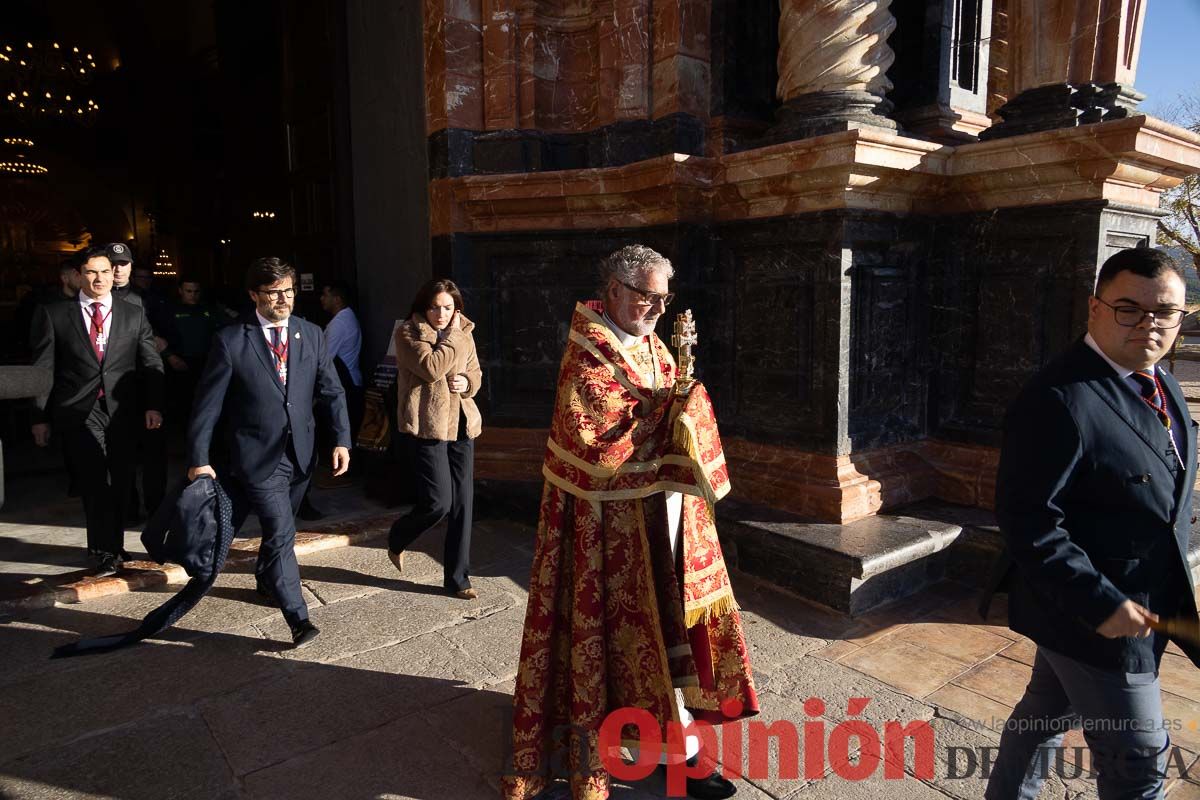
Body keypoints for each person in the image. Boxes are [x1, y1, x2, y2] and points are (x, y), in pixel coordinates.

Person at [503, 245, 757, 800]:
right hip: (606, 531)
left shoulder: (653, 344)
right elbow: (592, 442)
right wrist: (670, 418)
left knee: (665, 638)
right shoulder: (586, 352)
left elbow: (664, 406)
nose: (659, 309)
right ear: (615, 289)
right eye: (649, 296)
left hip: (661, 517)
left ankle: (674, 747)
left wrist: (685, 406)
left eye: (666, 298)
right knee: (618, 638)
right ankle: (653, 750)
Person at [984, 247, 1200, 799]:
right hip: (1098, 618)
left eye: (1166, 312)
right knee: (1139, 771)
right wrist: (1100, 603)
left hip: (1143, 599)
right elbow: (1027, 519)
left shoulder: (1162, 382)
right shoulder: (1057, 398)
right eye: (1129, 308)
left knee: (1044, 716)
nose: (1149, 325)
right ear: (1094, 309)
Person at [186, 257, 351, 648]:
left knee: (280, 530)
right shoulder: (231, 340)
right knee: (282, 531)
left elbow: (331, 390)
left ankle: (265, 580)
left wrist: (342, 438)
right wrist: (198, 457)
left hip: (302, 453)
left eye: (288, 291)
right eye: (273, 292)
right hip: (257, 457)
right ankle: (298, 617)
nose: (283, 299)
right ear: (253, 295)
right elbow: (207, 405)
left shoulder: (311, 334)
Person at [29, 246, 164, 576]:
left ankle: (112, 546)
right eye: (91, 272)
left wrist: (154, 404)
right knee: (94, 478)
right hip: (77, 409)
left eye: (105, 271)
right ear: (78, 275)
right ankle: (105, 551)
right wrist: (39, 416)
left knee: (120, 478)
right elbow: (43, 368)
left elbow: (150, 361)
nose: (100, 278)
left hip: (123, 410)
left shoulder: (132, 312)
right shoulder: (55, 314)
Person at [387, 279, 482, 599]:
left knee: (463, 505)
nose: (441, 314)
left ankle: (458, 579)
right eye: (434, 307)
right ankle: (399, 535)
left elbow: (476, 374)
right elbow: (430, 367)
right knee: (438, 502)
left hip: (462, 424)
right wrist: (454, 335)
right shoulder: (408, 333)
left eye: (448, 307)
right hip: (429, 426)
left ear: (456, 309)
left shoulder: (464, 332)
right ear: (423, 307)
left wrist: (466, 382)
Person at [106, 242, 168, 520]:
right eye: (113, 264)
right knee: (122, 456)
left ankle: (157, 506)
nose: (118, 270)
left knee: (154, 453)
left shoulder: (147, 301)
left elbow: (165, 338)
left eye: (123, 264)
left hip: (146, 384)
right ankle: (127, 507)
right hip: (115, 392)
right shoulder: (97, 301)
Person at [163, 276, 222, 425]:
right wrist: (169, 356)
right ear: (180, 291)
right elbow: (155, 337)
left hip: (205, 363)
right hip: (179, 363)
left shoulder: (209, 309)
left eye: (196, 291)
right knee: (181, 406)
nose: (193, 295)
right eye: (189, 291)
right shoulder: (168, 310)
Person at [319, 280, 364, 441]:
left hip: (347, 383)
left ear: (337, 299)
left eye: (325, 295)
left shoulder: (340, 323)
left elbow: (325, 357)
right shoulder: (346, 317)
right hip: (352, 380)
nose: (321, 299)